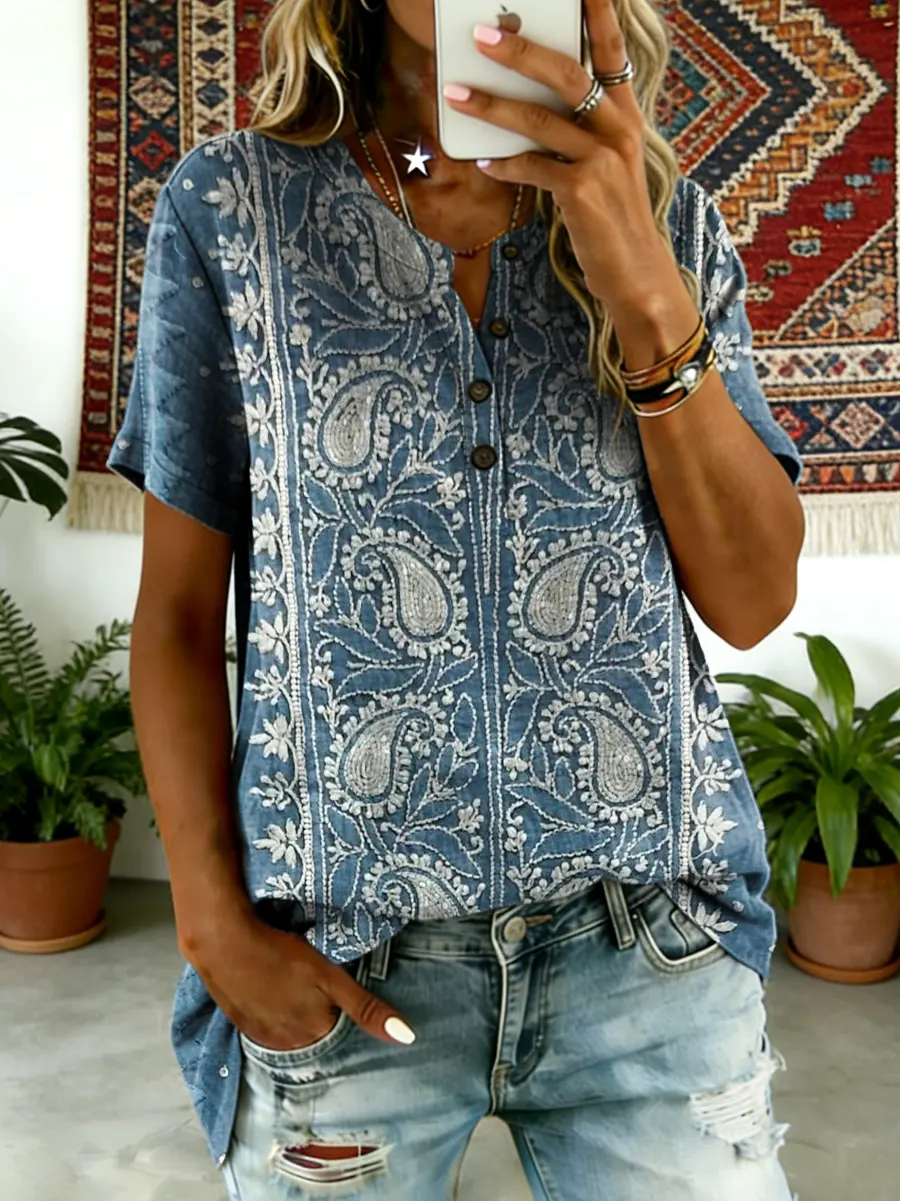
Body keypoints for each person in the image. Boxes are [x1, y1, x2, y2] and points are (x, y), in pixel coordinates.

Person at [109, 0, 805, 1197]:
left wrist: (643, 282)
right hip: (342, 958)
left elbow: (751, 600)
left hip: (651, 957)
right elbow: (176, 616)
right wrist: (211, 924)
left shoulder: (668, 219)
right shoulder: (231, 213)